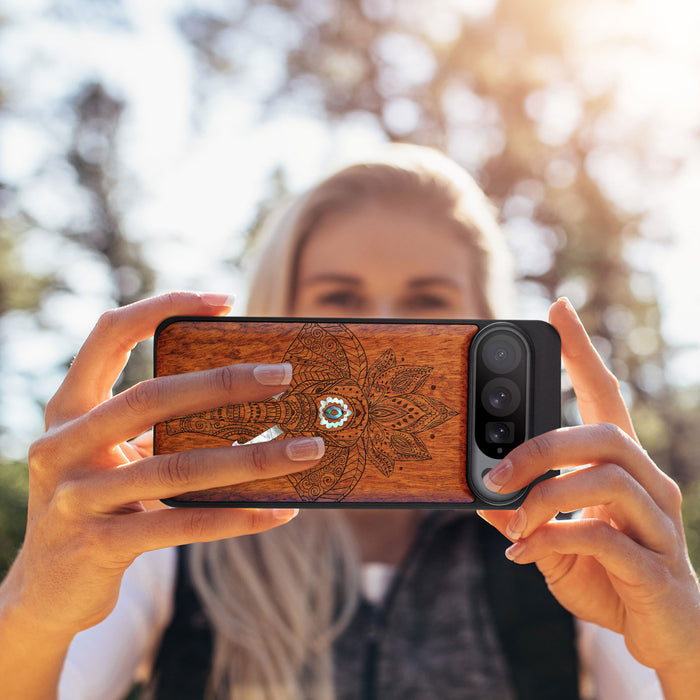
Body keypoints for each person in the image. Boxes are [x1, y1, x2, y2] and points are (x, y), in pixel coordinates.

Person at [0, 145, 698, 700]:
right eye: (341, 299)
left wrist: (685, 648)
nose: (383, 331)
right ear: (280, 313)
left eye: (427, 302)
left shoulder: (567, 543)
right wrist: (34, 607)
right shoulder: (172, 535)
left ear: (486, 323)